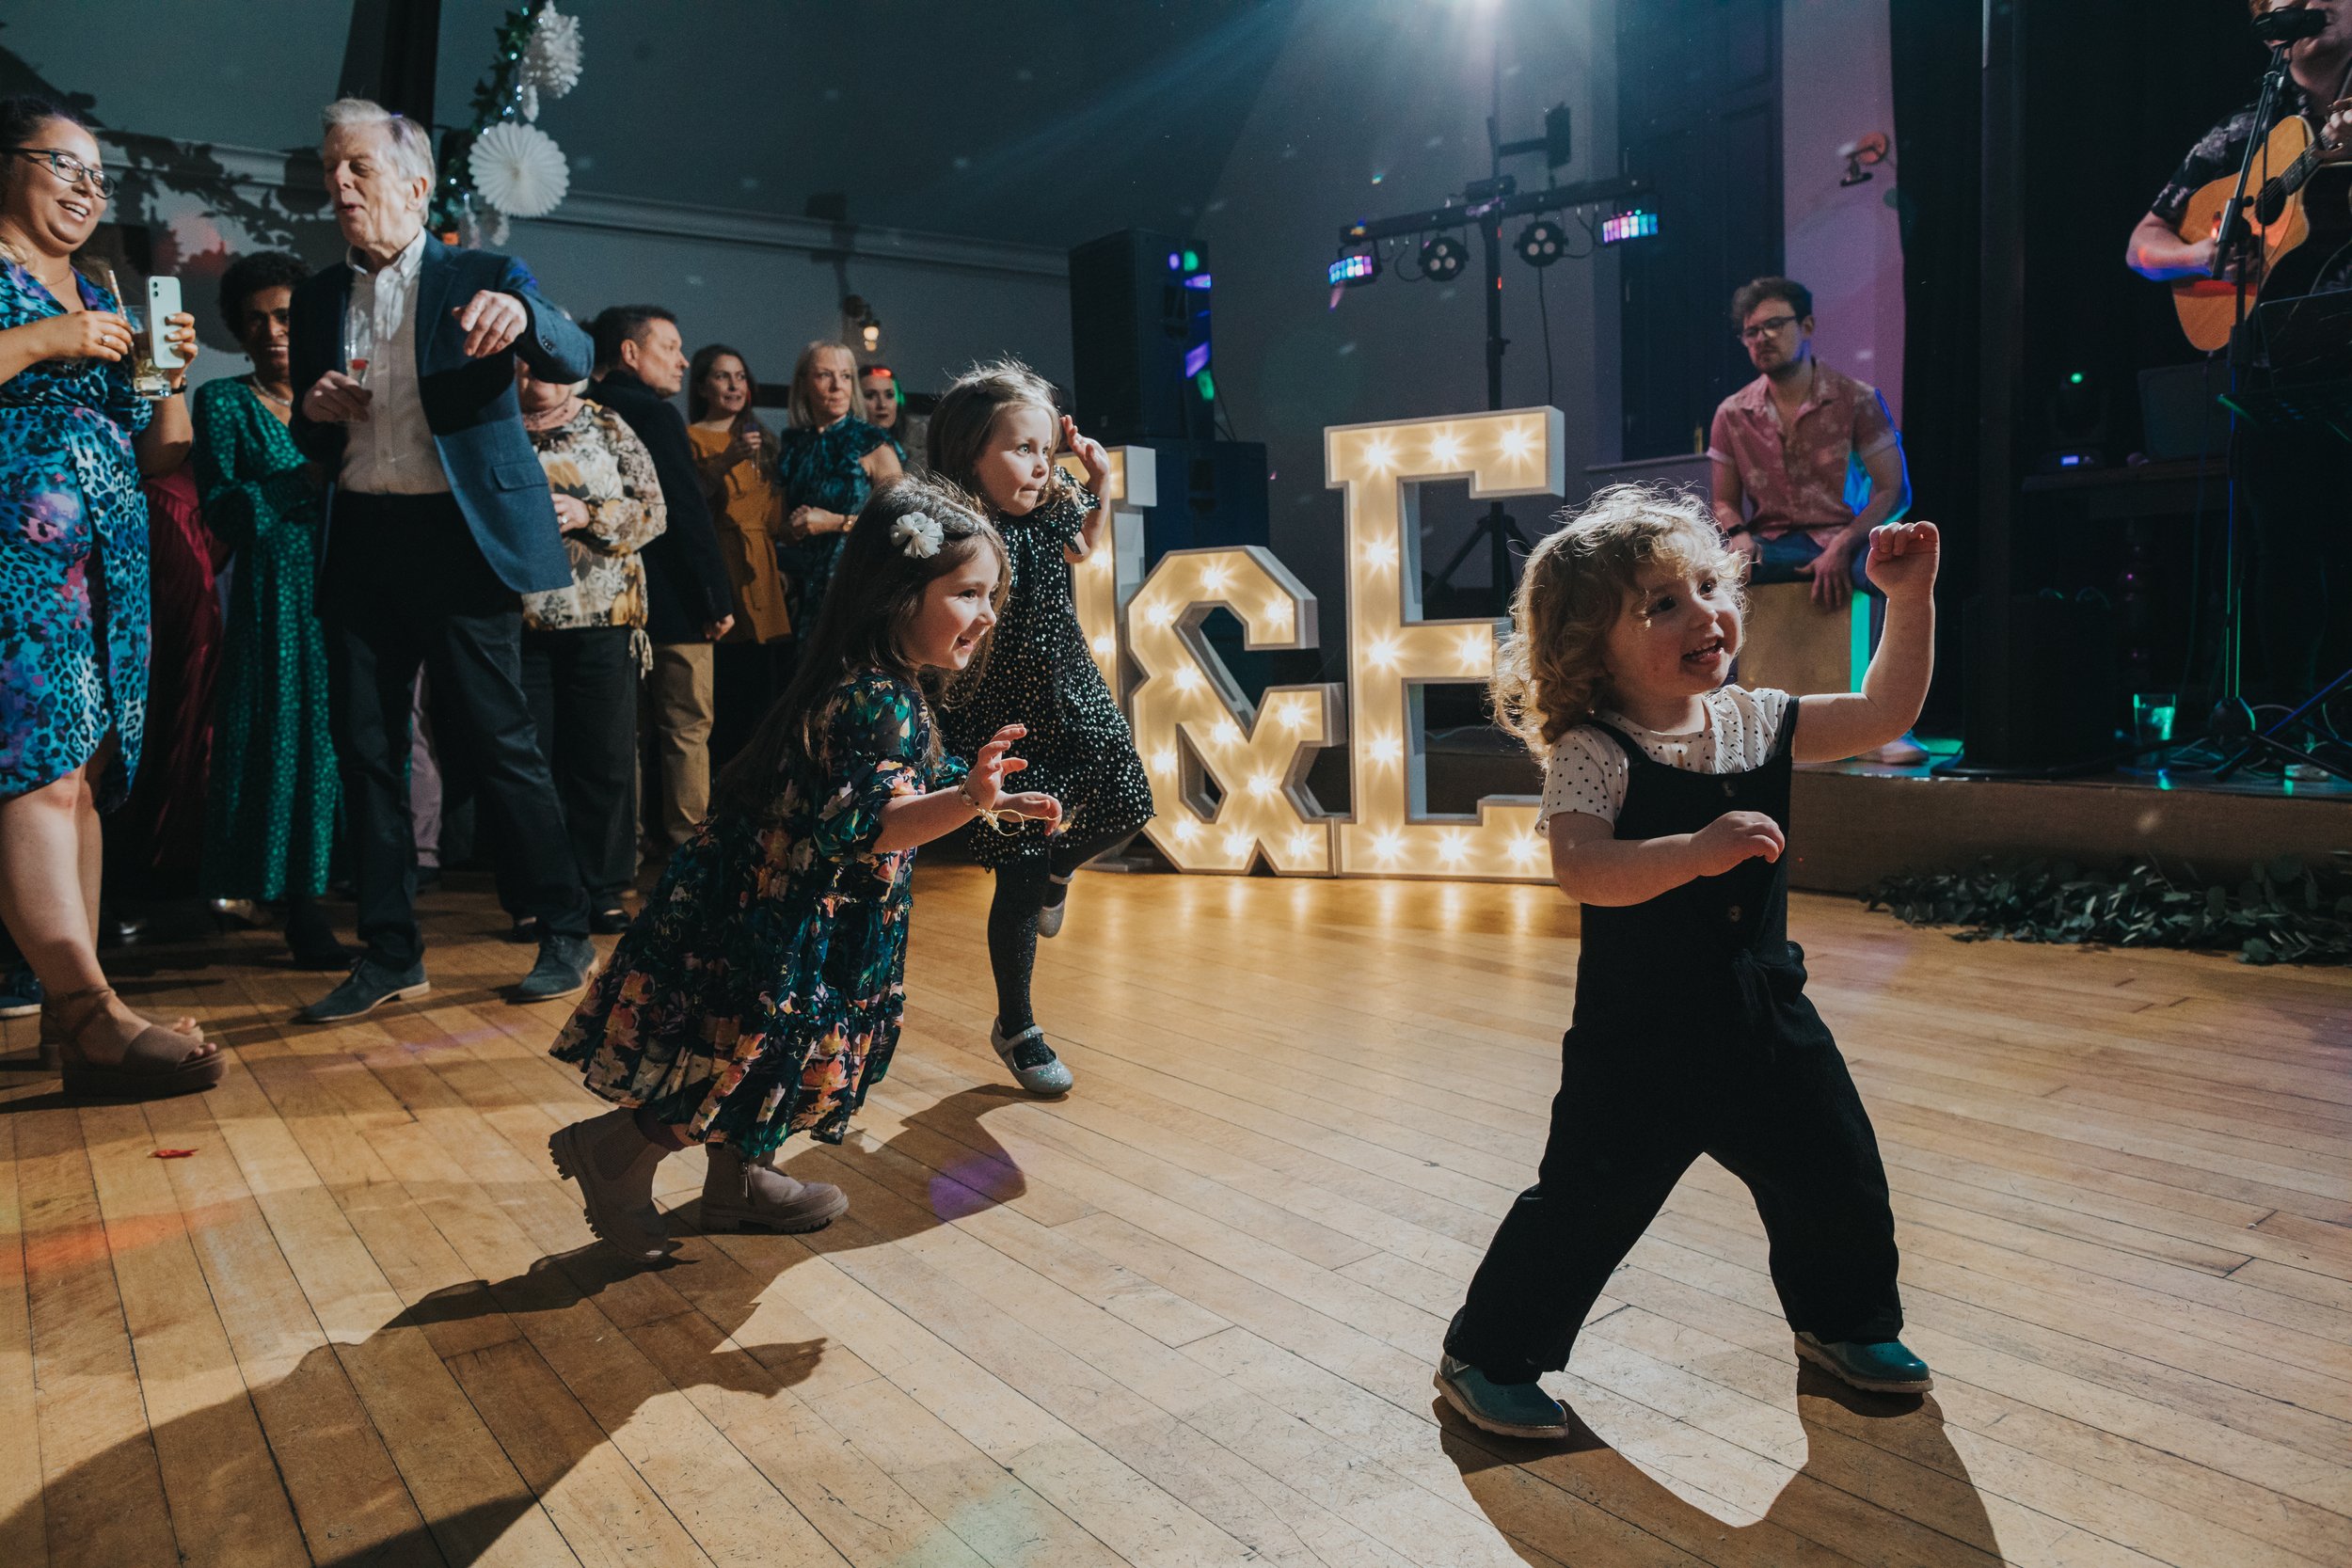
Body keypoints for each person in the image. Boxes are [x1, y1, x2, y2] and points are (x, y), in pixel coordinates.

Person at [1435, 484, 1941, 1438]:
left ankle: (1845, 1323)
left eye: (1708, 585)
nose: (1703, 613)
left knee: (1835, 1170)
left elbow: (1882, 710)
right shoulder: (1596, 750)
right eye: (1660, 603)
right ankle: (1489, 1353)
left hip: (1766, 1016)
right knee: (1585, 1203)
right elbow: (1582, 869)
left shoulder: (1754, 719)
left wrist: (1907, 596)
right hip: (1641, 1039)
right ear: (1588, 647)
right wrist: (1694, 852)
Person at [546, 475, 1059, 1259]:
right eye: (967, 593)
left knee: (768, 1053)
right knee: (743, 1052)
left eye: (991, 595)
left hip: (778, 911)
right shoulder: (875, 700)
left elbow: (902, 788)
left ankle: (739, 1179)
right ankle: (615, 1155)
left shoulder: (876, 683)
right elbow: (875, 823)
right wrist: (966, 798)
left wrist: (986, 799)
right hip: (787, 925)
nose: (986, 615)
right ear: (897, 592)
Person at [288, 97, 598, 1022]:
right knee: (368, 751)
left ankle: (565, 925)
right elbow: (313, 448)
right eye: (330, 168)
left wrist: (526, 311)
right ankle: (390, 950)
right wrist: (315, 411)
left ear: (416, 185)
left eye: (360, 168)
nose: (340, 184)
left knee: (498, 741)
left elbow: (575, 352)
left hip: (462, 542)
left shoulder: (482, 271)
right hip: (366, 541)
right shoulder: (315, 299)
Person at [0, 94, 222, 1096]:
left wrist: (167, 370)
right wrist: (51, 340)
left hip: (108, 567)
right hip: (18, 561)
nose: (89, 188)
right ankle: (91, 1012)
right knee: (36, 769)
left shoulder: (98, 287)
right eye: (66, 164)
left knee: (87, 772)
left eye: (100, 175)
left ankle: (75, 1012)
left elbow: (163, 450)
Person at [931, 360, 1153, 1097]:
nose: (1039, 466)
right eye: (1021, 451)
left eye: (1044, 450)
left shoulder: (1051, 507)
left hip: (1074, 685)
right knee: (1017, 876)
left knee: (1129, 803)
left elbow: (1083, 546)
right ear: (970, 454)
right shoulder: (958, 533)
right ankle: (1017, 1023)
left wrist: (1099, 486)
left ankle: (1062, 866)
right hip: (1006, 719)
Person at [2124, 0, 2351, 701]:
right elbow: (2141, 244)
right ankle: (2288, 720)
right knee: (2280, 549)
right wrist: (2207, 253)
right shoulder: (2246, 131)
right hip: (2273, 370)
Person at [193, 248, 348, 969]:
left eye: (286, 315)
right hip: (275, 598)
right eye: (254, 321)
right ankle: (299, 907)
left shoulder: (350, 395)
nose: (272, 331)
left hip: (354, 586)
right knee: (285, 745)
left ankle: (373, 893)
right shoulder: (222, 402)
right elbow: (224, 511)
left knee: (361, 744)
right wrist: (302, 480)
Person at [1708, 277, 1925, 767]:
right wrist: (1739, 536)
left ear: (1805, 326)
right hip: (1772, 540)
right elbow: (1723, 502)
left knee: (1884, 573)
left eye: (1774, 325)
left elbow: (1895, 490)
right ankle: (1737, 726)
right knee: (1713, 583)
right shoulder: (1732, 412)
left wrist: (1845, 543)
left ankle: (1886, 725)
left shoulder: (1856, 398)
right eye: (1750, 331)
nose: (1761, 338)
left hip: (1841, 533)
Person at [511, 356, 667, 937]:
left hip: (602, 615)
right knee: (529, 764)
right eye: (522, 367)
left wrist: (587, 511)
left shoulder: (607, 424)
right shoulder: (494, 424)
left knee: (602, 761)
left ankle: (602, 890)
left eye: (547, 366)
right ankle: (534, 895)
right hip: (517, 619)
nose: (534, 378)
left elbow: (654, 510)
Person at [587, 307, 734, 853]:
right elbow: (685, 513)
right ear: (630, 352)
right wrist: (714, 596)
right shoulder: (654, 414)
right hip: (674, 600)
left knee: (622, 734)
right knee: (686, 729)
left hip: (610, 602)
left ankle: (618, 852)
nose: (683, 360)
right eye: (669, 347)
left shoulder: (585, 409)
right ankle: (687, 852)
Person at [687, 342, 793, 767]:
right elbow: (693, 504)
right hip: (723, 561)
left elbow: (773, 518)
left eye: (740, 376)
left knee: (767, 686)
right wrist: (728, 458)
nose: (734, 385)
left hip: (764, 567)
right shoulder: (690, 437)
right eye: (722, 376)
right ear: (703, 387)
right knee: (729, 683)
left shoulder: (765, 440)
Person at [775, 340, 904, 630]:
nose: (838, 386)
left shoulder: (871, 443)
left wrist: (835, 522)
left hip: (855, 587)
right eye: (824, 375)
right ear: (804, 383)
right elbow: (781, 528)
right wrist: (795, 528)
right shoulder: (796, 447)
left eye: (846, 375)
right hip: (803, 592)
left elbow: (905, 525)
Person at [860, 360, 923, 467]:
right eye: (870, 395)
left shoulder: (920, 441)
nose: (882, 404)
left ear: (898, 400)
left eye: (889, 395)